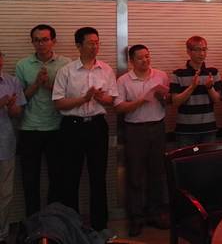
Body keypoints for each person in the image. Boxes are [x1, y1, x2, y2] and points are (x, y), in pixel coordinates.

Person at [52, 27, 118, 234]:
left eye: (97, 42)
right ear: (78, 45)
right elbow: (58, 103)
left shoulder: (106, 69)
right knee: (70, 177)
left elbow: (111, 100)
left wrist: (100, 97)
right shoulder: (67, 71)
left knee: (98, 177)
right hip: (72, 127)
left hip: (97, 126)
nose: (95, 46)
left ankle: (100, 226)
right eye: (90, 43)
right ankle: (72, 227)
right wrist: (83, 99)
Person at [15, 24, 71, 217]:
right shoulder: (23, 65)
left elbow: (70, 96)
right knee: (30, 181)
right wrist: (37, 84)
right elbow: (20, 99)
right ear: (32, 42)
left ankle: (53, 223)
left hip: (58, 128)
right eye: (37, 40)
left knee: (58, 178)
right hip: (29, 129)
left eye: (45, 39)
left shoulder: (66, 64)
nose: (41, 44)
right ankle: (33, 224)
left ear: (53, 41)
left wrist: (49, 85)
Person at [115, 44, 170, 237]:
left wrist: (163, 97)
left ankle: (155, 214)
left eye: (147, 56)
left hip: (158, 127)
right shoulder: (123, 80)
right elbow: (119, 107)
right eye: (140, 58)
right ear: (131, 61)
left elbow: (167, 101)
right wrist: (141, 100)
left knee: (157, 173)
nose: (145, 60)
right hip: (135, 130)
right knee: (135, 175)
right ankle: (136, 218)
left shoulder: (160, 76)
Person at [170, 36, 222, 146]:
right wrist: (192, 87)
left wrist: (209, 88)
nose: (202, 53)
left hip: (208, 127)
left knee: (207, 157)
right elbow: (175, 102)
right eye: (197, 50)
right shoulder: (178, 74)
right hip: (185, 129)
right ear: (188, 51)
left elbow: (217, 100)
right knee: (187, 157)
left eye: (204, 49)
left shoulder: (213, 72)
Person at [0, 50, 26, 244]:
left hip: (5, 144)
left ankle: (2, 233)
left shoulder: (12, 82)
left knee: (5, 194)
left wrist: (11, 106)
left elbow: (18, 112)